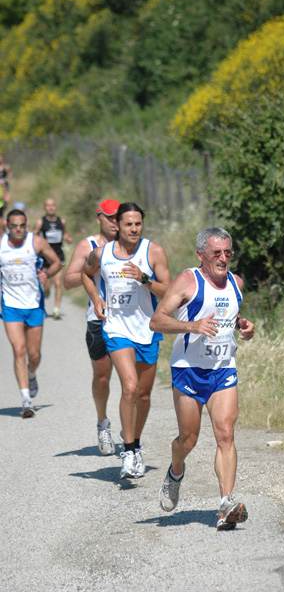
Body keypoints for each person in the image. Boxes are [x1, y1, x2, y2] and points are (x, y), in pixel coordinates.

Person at [149, 227, 255, 530]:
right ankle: (175, 471)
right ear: (201, 255)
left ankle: (225, 504)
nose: (223, 259)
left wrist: (245, 328)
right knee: (189, 439)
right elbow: (157, 321)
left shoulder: (236, 283)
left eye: (227, 253)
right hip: (188, 369)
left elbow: (229, 317)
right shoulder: (188, 281)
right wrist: (192, 326)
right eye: (216, 253)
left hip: (223, 368)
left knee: (225, 432)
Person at [82, 202, 172, 479]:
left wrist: (145, 278)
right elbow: (86, 274)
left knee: (143, 395)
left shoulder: (153, 252)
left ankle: (135, 440)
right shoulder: (101, 253)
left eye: (138, 224)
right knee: (130, 387)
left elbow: (169, 291)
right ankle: (129, 452)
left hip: (146, 328)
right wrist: (96, 298)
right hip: (116, 328)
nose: (133, 229)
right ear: (117, 226)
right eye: (128, 224)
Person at [63, 198, 121, 456]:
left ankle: (130, 434)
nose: (114, 222)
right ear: (99, 218)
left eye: (118, 217)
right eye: (109, 217)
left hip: (130, 321)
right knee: (102, 377)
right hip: (98, 319)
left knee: (134, 384)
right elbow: (68, 281)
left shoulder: (131, 245)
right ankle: (103, 424)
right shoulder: (88, 245)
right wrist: (93, 267)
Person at [0, 209, 61, 417]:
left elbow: (56, 263)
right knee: (19, 349)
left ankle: (32, 373)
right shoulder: (1, 245)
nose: (19, 229)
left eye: (22, 226)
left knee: (33, 354)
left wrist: (47, 274)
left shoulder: (35, 243)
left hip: (34, 304)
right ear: (8, 227)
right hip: (10, 305)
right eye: (15, 226)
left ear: (26, 226)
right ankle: (26, 400)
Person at [34, 198, 72, 319]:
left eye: (53, 206)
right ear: (45, 208)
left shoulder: (62, 221)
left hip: (59, 255)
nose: (51, 208)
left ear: (55, 207)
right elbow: (34, 235)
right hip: (46, 256)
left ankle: (56, 310)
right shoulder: (41, 222)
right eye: (48, 206)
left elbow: (64, 233)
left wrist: (67, 238)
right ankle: (46, 292)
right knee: (46, 284)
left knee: (57, 282)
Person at [0, 155, 11, 237]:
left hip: (4, 187)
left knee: (5, 205)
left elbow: (10, 173)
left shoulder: (5, 167)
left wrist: (8, 178)